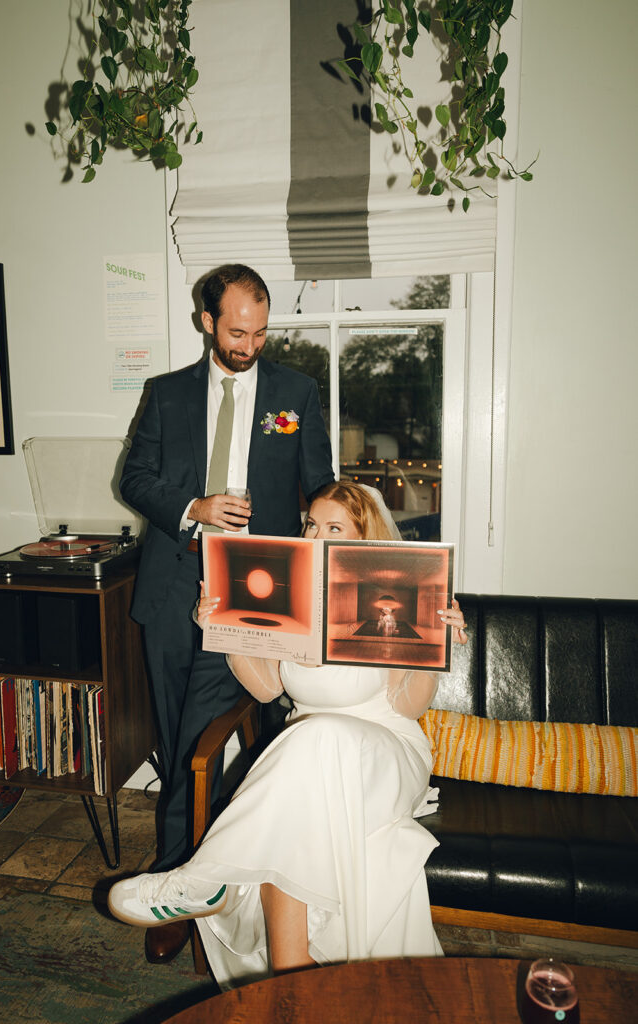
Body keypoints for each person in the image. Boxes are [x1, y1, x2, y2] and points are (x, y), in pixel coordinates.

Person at [109, 482, 468, 986]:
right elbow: (266, 690)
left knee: (315, 738)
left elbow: (407, 707)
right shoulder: (292, 593)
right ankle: (291, 986)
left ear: (364, 538)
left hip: (384, 752)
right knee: (304, 778)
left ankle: (205, 882)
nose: (318, 535)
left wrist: (434, 648)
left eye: (335, 527)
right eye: (312, 524)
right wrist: (225, 632)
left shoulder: (389, 592)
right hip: (308, 761)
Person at [119, 264, 334, 964]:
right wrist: (194, 511)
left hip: (255, 599)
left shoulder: (295, 393)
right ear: (207, 322)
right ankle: (189, 875)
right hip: (172, 589)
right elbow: (134, 480)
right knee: (177, 739)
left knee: (225, 743)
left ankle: (218, 882)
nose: (251, 343)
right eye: (238, 331)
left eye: (262, 330)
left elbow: (320, 488)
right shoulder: (166, 394)